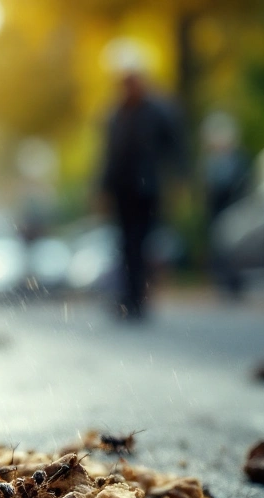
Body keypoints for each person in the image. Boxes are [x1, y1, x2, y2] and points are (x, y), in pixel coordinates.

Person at [98, 52, 185, 320]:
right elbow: (108, 156)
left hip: (148, 190)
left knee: (141, 243)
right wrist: (102, 188)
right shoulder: (115, 115)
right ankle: (128, 298)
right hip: (122, 191)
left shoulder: (159, 110)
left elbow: (176, 147)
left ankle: (138, 298)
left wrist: (179, 179)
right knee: (125, 244)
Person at [200, 112, 250, 298]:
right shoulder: (210, 162)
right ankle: (222, 281)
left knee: (234, 246)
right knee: (219, 247)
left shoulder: (239, 160)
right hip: (216, 212)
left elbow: (243, 185)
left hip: (233, 210)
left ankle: (235, 282)